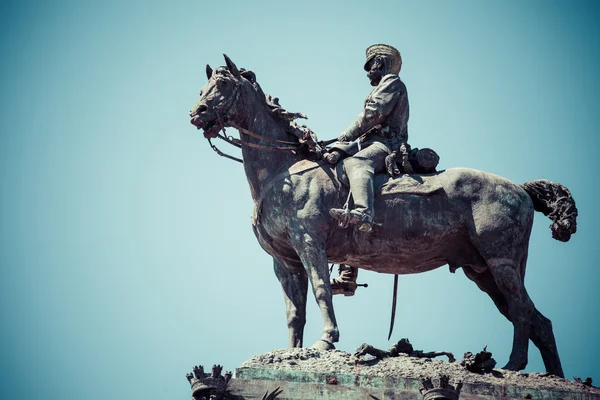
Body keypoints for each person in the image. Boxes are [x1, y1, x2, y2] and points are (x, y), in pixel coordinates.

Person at [327, 44, 411, 295]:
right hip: (370, 144)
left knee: (356, 164)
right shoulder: (383, 85)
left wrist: (345, 137)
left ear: (380, 63)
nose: (367, 72)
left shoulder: (392, 83)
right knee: (338, 183)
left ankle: (364, 213)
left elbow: (372, 115)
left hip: (387, 146)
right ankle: (347, 273)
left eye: (370, 65)